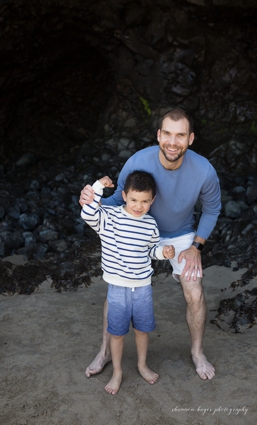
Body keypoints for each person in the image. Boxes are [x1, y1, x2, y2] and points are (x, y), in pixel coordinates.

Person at [80, 108, 222, 381]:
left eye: (180, 135)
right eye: (167, 133)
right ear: (158, 135)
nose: (172, 141)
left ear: (190, 139)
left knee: (194, 289)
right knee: (117, 290)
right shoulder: (137, 161)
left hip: (180, 234)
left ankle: (197, 352)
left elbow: (212, 210)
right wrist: (90, 201)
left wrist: (196, 246)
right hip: (139, 228)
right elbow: (119, 202)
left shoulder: (204, 170)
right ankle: (104, 351)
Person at [80, 172, 176, 394]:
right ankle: (117, 372)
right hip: (118, 288)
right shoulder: (109, 217)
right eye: (133, 200)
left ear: (152, 201)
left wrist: (164, 251)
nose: (138, 206)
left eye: (144, 201)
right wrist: (98, 186)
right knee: (117, 332)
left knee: (142, 330)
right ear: (124, 195)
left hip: (142, 286)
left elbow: (151, 249)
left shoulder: (150, 224)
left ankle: (142, 364)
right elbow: (88, 213)